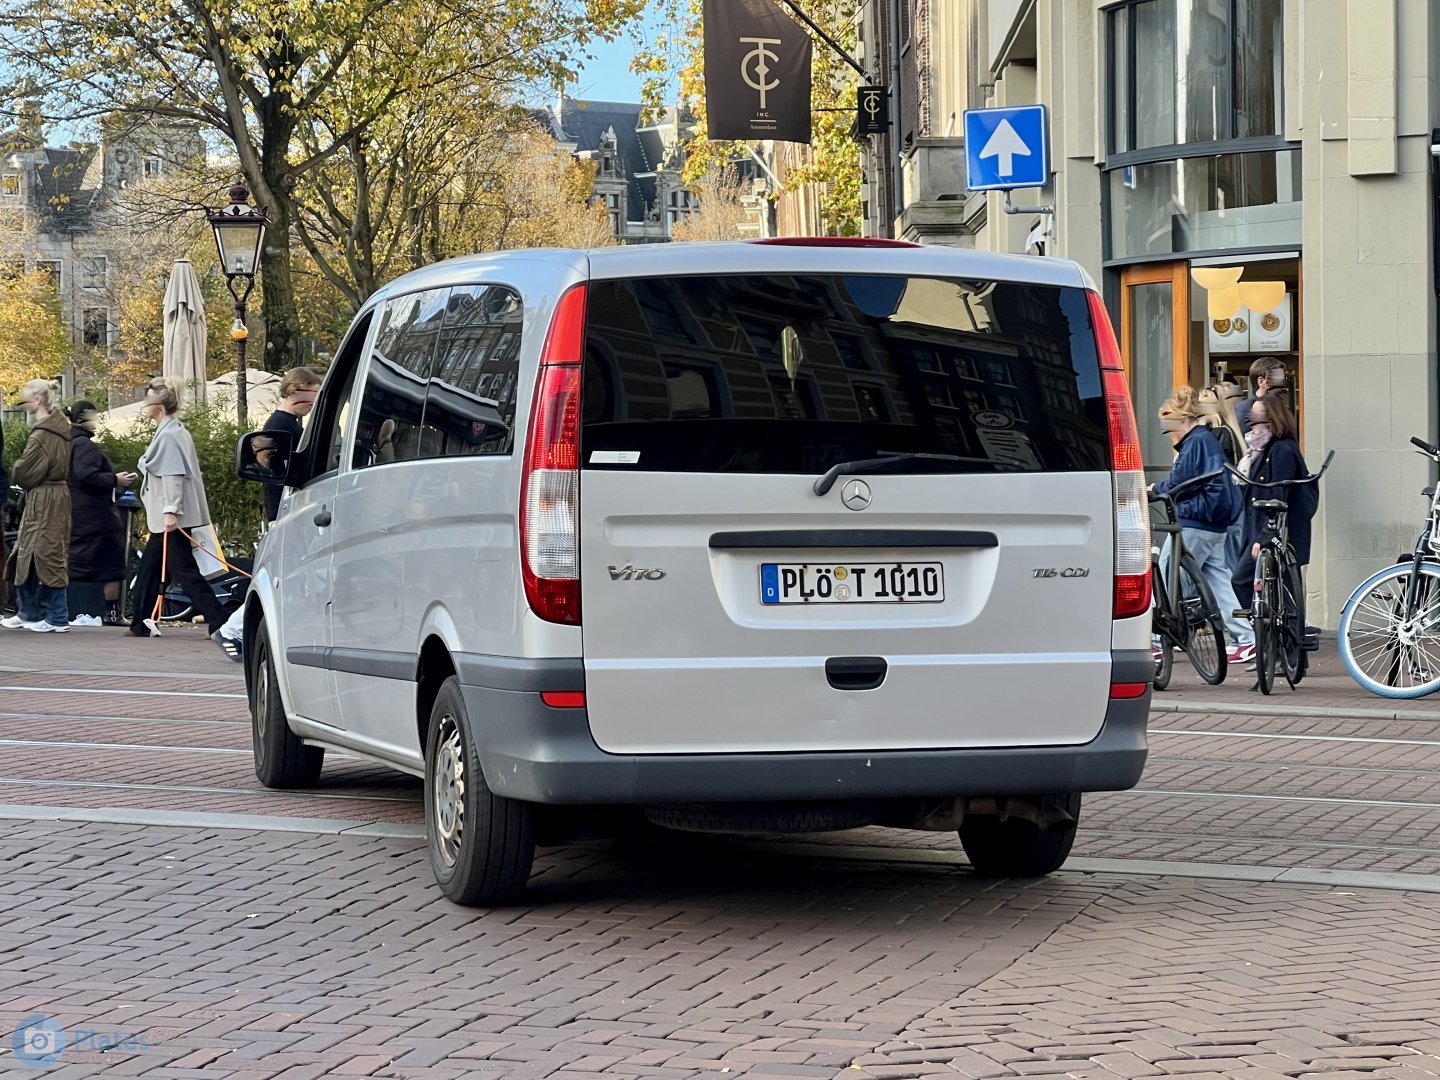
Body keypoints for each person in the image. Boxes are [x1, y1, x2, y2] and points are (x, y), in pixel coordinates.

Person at [212, 366, 322, 662]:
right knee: (281, 576)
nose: (314, 399)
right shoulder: (282, 426)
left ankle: (240, 629)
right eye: (310, 392)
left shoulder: (287, 424)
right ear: (294, 392)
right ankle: (233, 628)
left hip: (286, 509)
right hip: (286, 510)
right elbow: (277, 469)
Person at [1149, 386, 1253, 668]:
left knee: (1165, 578)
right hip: (1215, 522)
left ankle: (1155, 642)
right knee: (1219, 580)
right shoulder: (1205, 440)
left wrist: (1154, 489)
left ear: (1181, 420)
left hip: (1195, 520)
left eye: (1170, 426)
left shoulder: (1195, 442)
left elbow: (1180, 480)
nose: (1170, 433)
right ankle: (1246, 638)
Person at [128, 376, 227, 637]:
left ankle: (220, 618)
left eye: (147, 400)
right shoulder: (176, 431)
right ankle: (140, 620)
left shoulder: (169, 436)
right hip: (169, 515)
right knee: (152, 567)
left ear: (157, 405)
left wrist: (170, 509)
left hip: (169, 516)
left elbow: (172, 475)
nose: (144, 405)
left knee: (182, 570)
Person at [1231, 391, 1316, 628]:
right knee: (1252, 582)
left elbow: (1278, 495)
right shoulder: (1263, 450)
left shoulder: (1281, 450)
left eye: (1256, 415)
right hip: (1260, 529)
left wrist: (1264, 538)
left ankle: (1277, 640)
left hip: (1276, 533)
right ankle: (1267, 634)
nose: (1251, 422)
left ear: (1270, 419)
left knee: (1256, 583)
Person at [1, 380, 73, 632]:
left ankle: (56, 616)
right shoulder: (59, 430)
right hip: (51, 498)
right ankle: (29, 611)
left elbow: (23, 470)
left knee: (44, 552)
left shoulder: (43, 434)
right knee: (32, 552)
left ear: (38, 400)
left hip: (45, 499)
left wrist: (18, 471)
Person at [65, 401, 137, 625]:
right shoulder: (85, 446)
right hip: (95, 518)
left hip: (75, 513)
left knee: (71, 562)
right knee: (112, 564)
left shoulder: (66, 444)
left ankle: (53, 606)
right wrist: (115, 479)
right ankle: (112, 612)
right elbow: (86, 475)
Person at [1234, 358, 1288, 433]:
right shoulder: (1244, 409)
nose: (1283, 385)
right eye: (1278, 380)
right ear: (1261, 382)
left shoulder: (1280, 406)